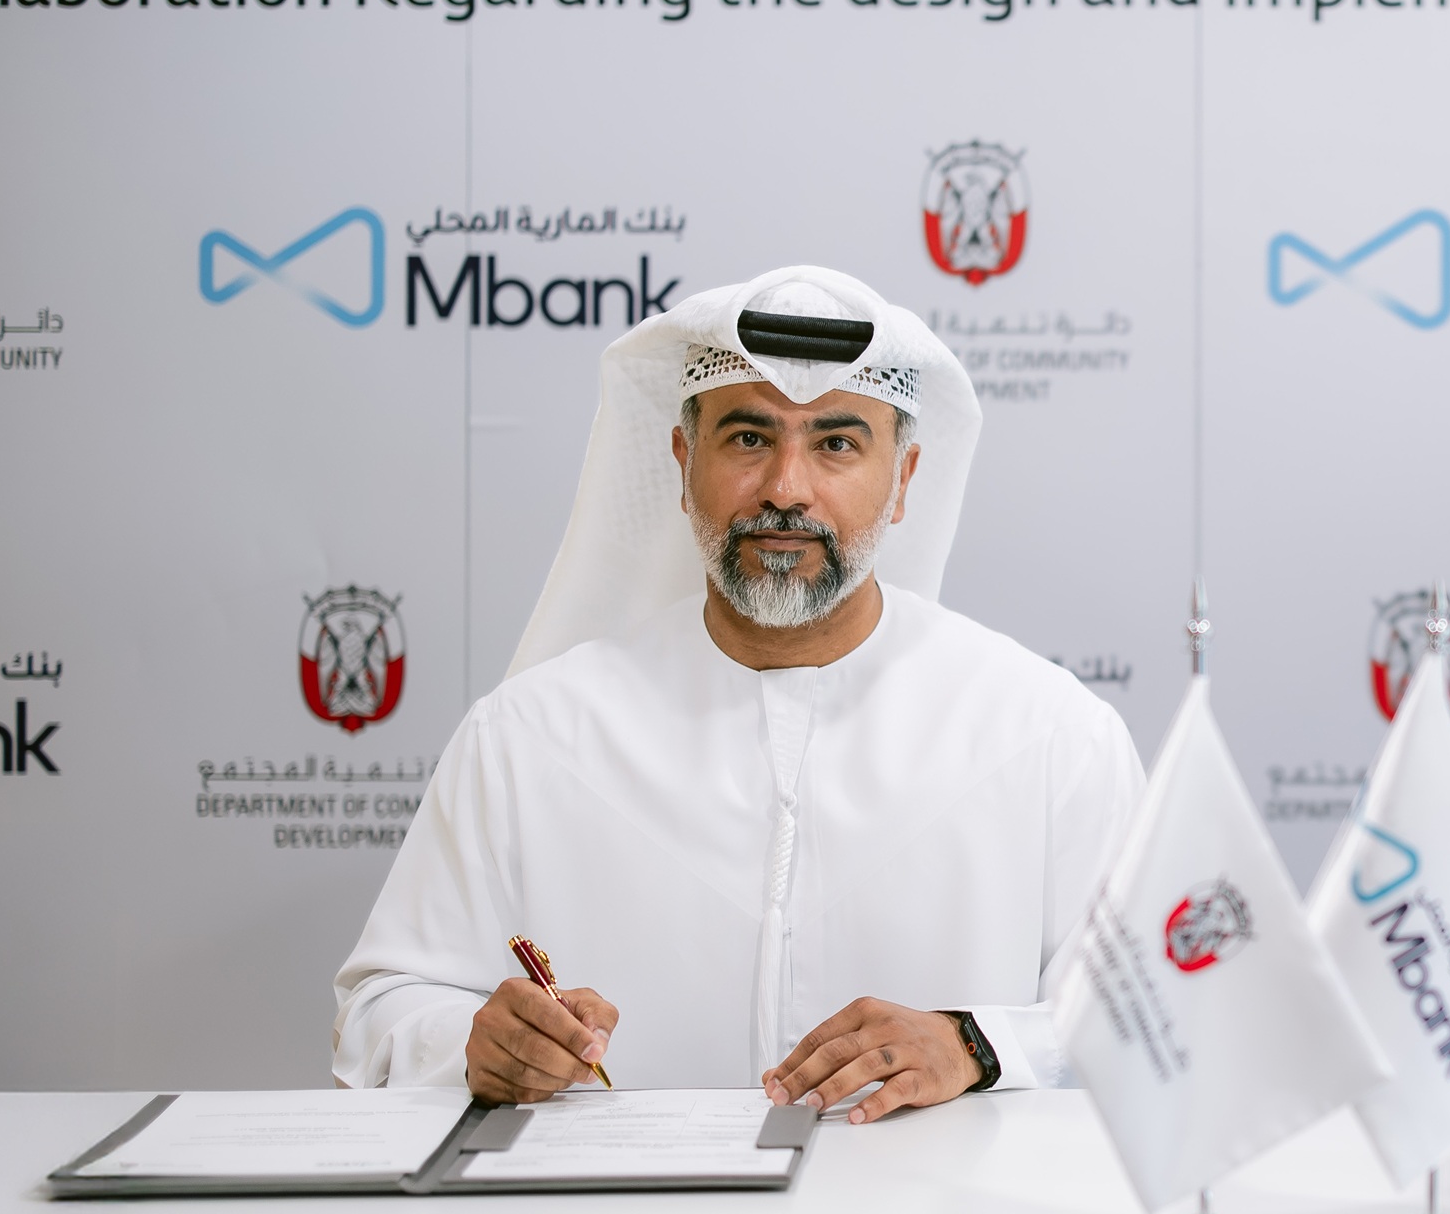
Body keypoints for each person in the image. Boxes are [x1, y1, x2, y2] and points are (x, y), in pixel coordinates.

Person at [333, 267, 1142, 1121]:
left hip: (932, 1213)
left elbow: (1160, 1022)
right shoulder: (530, 736)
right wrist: (472, 1042)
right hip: (618, 1209)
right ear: (684, 463)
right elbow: (381, 1011)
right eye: (750, 438)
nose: (786, 489)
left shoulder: (1049, 736)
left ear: (904, 479)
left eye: (836, 444)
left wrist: (979, 1045)